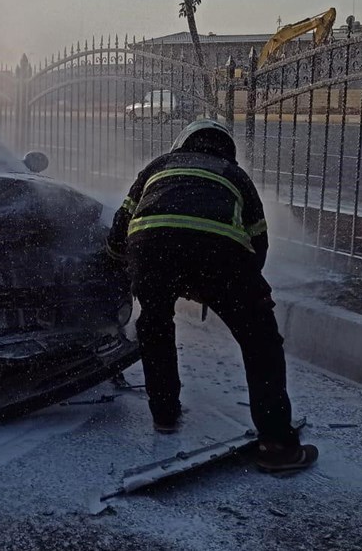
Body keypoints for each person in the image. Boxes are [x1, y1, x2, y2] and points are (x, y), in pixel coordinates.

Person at [106, 119, 318, 473]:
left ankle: (165, 414)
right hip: (220, 258)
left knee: (155, 325)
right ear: (226, 149)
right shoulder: (235, 175)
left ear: (182, 143)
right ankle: (277, 446)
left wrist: (121, 262)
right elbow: (258, 242)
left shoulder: (158, 166)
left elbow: (120, 227)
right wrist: (241, 292)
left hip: (152, 251)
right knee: (260, 341)